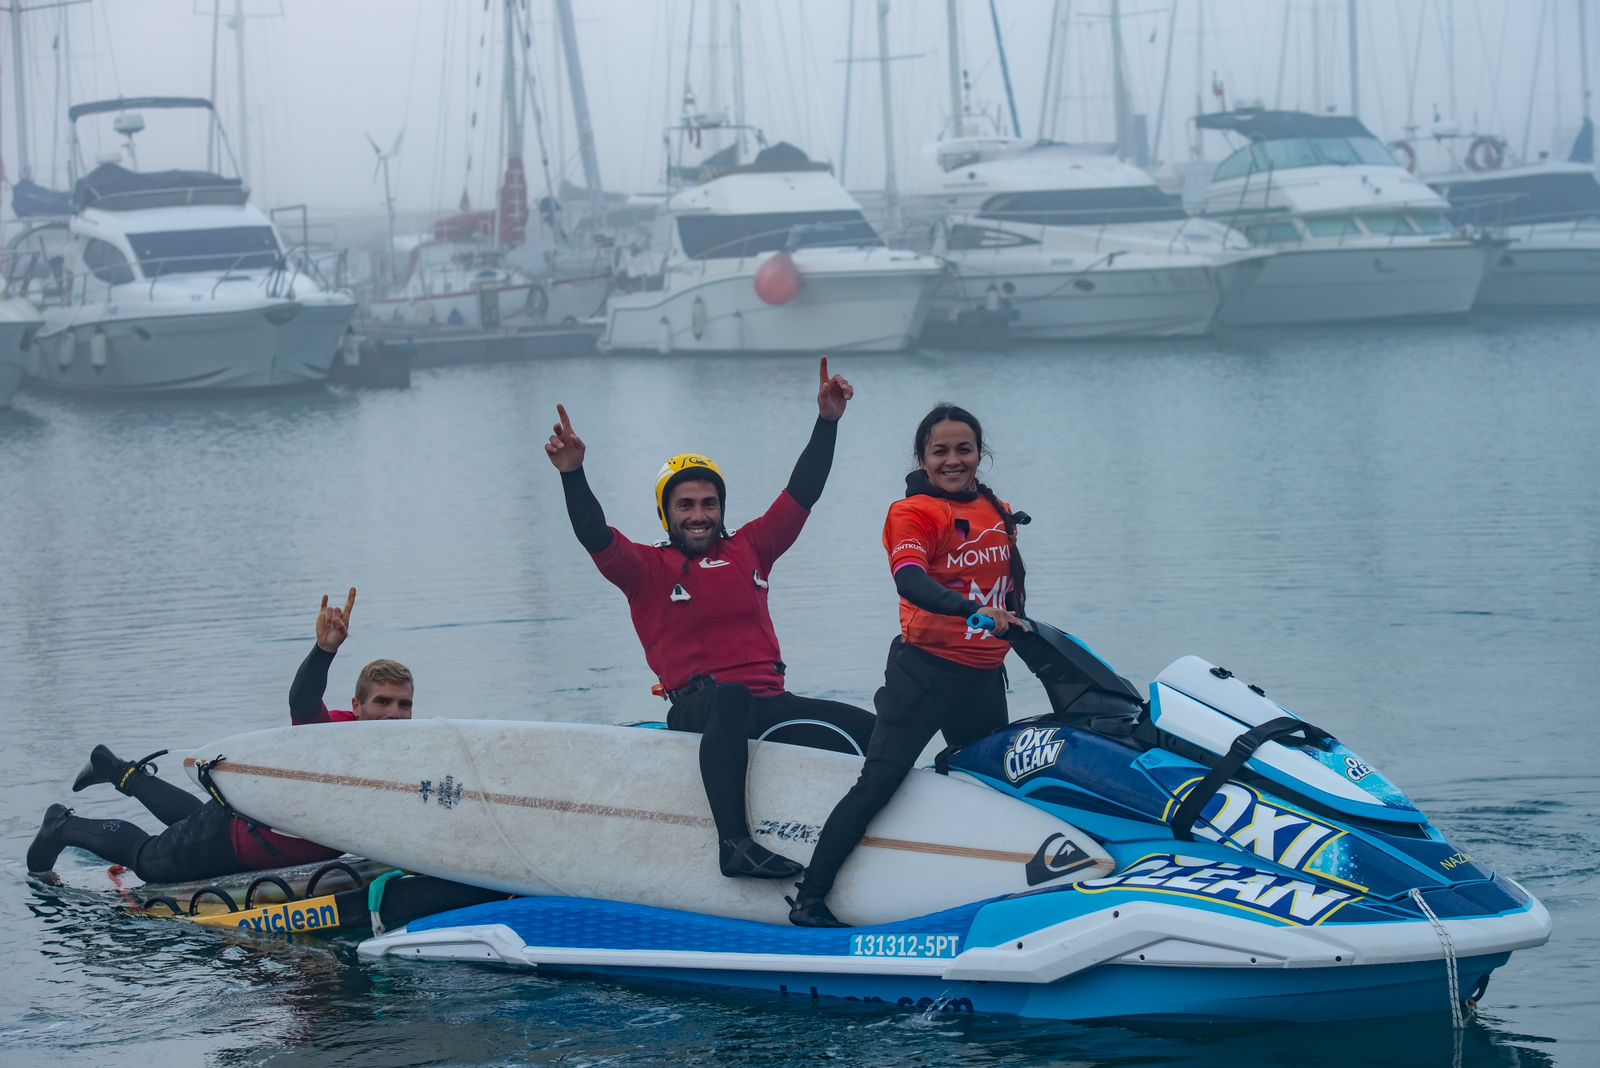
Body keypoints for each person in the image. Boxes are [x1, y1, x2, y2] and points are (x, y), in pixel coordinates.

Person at [546, 356, 876, 881]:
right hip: (701, 709)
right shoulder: (645, 569)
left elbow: (803, 491)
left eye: (708, 503)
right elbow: (593, 532)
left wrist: (827, 421)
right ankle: (735, 845)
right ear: (666, 513)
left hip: (769, 706)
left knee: (875, 730)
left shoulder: (753, 547)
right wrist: (573, 474)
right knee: (731, 697)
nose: (699, 515)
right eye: (685, 505)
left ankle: (877, 841)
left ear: (721, 508)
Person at [789, 404, 1028, 926]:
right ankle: (810, 898)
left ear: (980, 454)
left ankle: (986, 889)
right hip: (923, 676)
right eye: (940, 451)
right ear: (922, 457)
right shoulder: (913, 513)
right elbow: (911, 580)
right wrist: (971, 611)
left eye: (964, 449)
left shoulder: (997, 509)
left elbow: (1010, 589)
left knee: (997, 787)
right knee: (880, 781)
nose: (953, 460)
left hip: (983, 680)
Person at [26, 589, 414, 881]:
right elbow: (302, 699)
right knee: (147, 859)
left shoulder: (410, 756)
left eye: (404, 704)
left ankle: (115, 770)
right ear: (357, 706)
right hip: (235, 843)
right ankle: (61, 825)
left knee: (192, 819)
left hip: (242, 818)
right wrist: (324, 651)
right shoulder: (333, 737)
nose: (394, 714)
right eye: (382, 702)